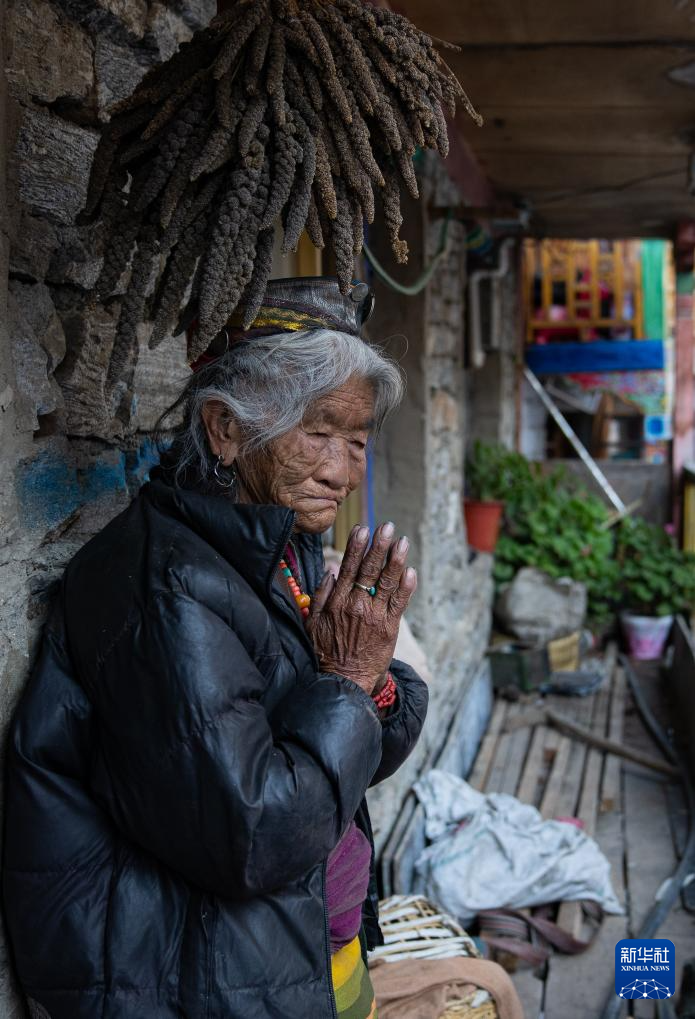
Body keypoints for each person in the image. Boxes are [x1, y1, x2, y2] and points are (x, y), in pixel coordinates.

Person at [3, 277, 429, 1019]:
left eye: (358, 441)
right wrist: (349, 679)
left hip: (299, 957)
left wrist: (370, 683)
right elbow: (253, 836)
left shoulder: (279, 544)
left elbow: (359, 748)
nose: (343, 470)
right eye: (318, 433)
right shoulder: (167, 591)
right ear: (225, 429)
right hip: (195, 985)